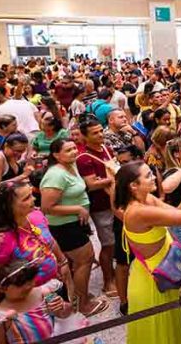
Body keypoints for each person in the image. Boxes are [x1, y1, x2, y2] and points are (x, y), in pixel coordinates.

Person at [115, 159, 181, 344]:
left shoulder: (147, 199)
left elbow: (176, 215)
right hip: (154, 279)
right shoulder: (138, 211)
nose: (154, 178)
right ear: (134, 186)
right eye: (148, 175)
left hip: (165, 270)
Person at [39, 138, 107, 316]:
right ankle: (83, 304)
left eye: (74, 148)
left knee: (77, 262)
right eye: (68, 150)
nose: (74, 152)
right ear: (56, 155)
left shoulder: (71, 166)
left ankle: (77, 296)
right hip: (65, 226)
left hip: (75, 223)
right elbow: (47, 206)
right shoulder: (55, 175)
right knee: (85, 259)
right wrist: (77, 209)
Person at [0, 181, 72, 309]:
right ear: (8, 207)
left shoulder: (36, 216)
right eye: (27, 198)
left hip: (54, 288)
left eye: (31, 194)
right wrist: (2, 313)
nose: (34, 199)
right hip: (27, 302)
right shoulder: (0, 242)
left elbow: (50, 241)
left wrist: (62, 261)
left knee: (66, 319)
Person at [0, 260, 73, 344]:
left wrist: (61, 306)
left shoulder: (44, 293)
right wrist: (1, 320)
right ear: (2, 288)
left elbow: (65, 313)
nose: (27, 287)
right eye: (20, 284)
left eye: (30, 282)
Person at [75, 117, 117, 298]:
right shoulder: (83, 158)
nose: (101, 135)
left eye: (101, 130)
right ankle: (108, 281)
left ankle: (116, 273)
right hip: (101, 206)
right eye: (95, 133)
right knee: (108, 244)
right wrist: (117, 177)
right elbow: (91, 184)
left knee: (117, 241)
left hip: (114, 201)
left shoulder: (106, 149)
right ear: (84, 137)